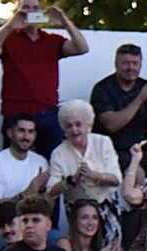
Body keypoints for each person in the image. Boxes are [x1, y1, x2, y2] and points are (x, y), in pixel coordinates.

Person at [0, 0, 88, 160]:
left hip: (48, 114)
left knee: (53, 164)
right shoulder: (9, 39)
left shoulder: (52, 40)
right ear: (17, 11)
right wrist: (9, 25)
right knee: (13, 163)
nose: (30, 12)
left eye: (35, 8)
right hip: (16, 115)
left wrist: (64, 20)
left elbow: (82, 48)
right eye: (25, 8)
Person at [47, 100, 121, 240]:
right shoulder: (58, 153)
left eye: (78, 124)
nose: (74, 130)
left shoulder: (103, 142)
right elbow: (51, 191)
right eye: (69, 126)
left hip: (105, 207)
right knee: (81, 250)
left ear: (88, 125)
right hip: (77, 212)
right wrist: (70, 180)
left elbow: (116, 179)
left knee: (110, 249)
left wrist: (94, 175)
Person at [90, 43, 147, 172]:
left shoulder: (145, 86)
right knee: (136, 172)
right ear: (116, 64)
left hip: (143, 149)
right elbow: (111, 125)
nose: (131, 68)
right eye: (126, 63)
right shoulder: (102, 89)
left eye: (135, 63)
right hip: (113, 151)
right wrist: (140, 99)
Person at [0, 115, 48, 228]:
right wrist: (25, 194)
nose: (26, 137)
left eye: (30, 132)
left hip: (30, 227)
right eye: (21, 131)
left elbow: (45, 207)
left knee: (58, 237)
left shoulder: (41, 162)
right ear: (10, 133)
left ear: (35, 135)